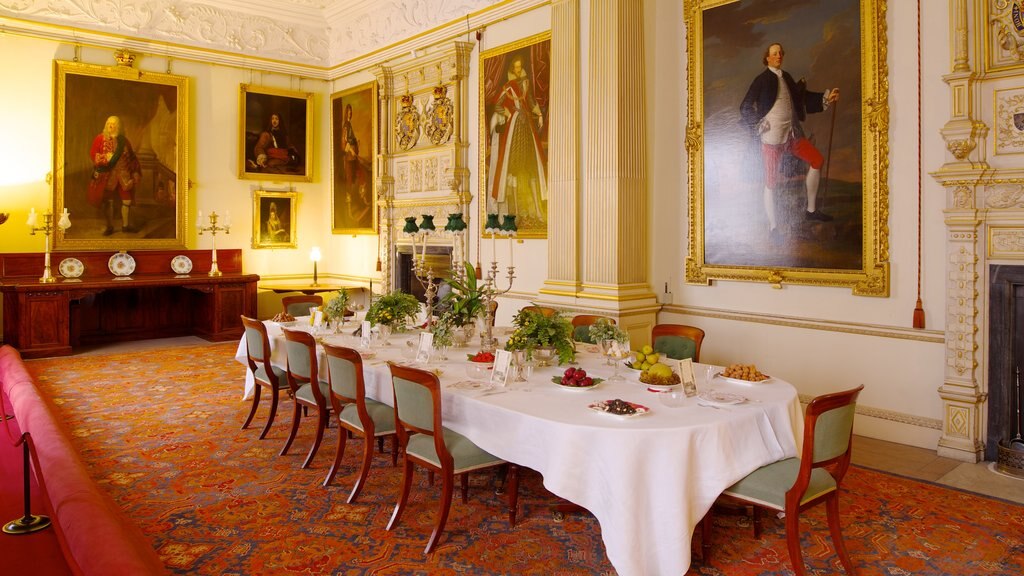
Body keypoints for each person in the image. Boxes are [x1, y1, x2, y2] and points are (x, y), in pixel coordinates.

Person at [740, 42, 840, 238]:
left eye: (781, 53)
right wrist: (759, 124)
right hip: (771, 140)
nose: (779, 56)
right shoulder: (761, 80)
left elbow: (801, 98)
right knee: (770, 182)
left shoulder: (786, 77)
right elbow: (744, 107)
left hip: (791, 135)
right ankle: (773, 228)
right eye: (775, 54)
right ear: (767, 58)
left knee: (817, 160)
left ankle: (811, 211)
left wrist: (827, 99)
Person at [486, 55, 547, 227]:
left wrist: (540, 115)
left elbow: (531, 101)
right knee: (513, 167)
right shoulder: (507, 87)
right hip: (514, 128)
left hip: (527, 126)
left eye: (521, 67)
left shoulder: (526, 83)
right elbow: (497, 104)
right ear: (513, 69)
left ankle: (536, 210)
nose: (519, 71)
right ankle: (516, 213)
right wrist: (507, 114)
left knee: (530, 167)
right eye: (516, 68)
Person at [88, 115, 142, 235]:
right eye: (109, 124)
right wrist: (104, 158)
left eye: (113, 124)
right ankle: (109, 227)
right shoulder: (100, 139)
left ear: (118, 126)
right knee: (108, 201)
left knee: (127, 201)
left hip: (124, 176)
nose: (111, 126)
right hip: (108, 175)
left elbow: (132, 158)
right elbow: (93, 154)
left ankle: (125, 226)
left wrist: (135, 171)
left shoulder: (124, 140)